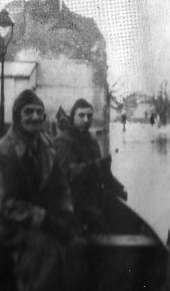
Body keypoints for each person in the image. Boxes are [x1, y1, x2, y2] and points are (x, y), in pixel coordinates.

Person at [0, 89, 79, 291]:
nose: (35, 117)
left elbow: (61, 187)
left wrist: (66, 213)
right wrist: (46, 221)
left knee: (74, 242)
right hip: (12, 222)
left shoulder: (47, 145)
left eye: (39, 112)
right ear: (17, 116)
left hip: (45, 216)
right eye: (28, 112)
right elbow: (7, 204)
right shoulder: (1, 153)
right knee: (43, 248)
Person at [54, 98, 127, 233]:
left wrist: (117, 188)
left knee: (118, 216)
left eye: (89, 116)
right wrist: (96, 166)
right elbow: (69, 174)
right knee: (100, 223)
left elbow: (102, 173)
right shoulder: (63, 142)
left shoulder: (92, 142)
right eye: (81, 115)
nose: (86, 119)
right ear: (73, 117)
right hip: (72, 201)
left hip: (93, 198)